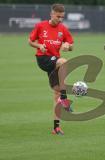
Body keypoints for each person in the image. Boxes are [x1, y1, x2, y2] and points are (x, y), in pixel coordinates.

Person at [28, 4, 74, 135]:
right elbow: (30, 41)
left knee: (56, 94)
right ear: (51, 14)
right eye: (58, 16)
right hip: (43, 59)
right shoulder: (40, 26)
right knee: (63, 61)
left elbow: (71, 45)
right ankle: (65, 98)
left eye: (62, 17)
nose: (60, 19)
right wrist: (39, 45)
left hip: (55, 63)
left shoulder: (63, 29)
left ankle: (56, 127)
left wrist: (67, 46)